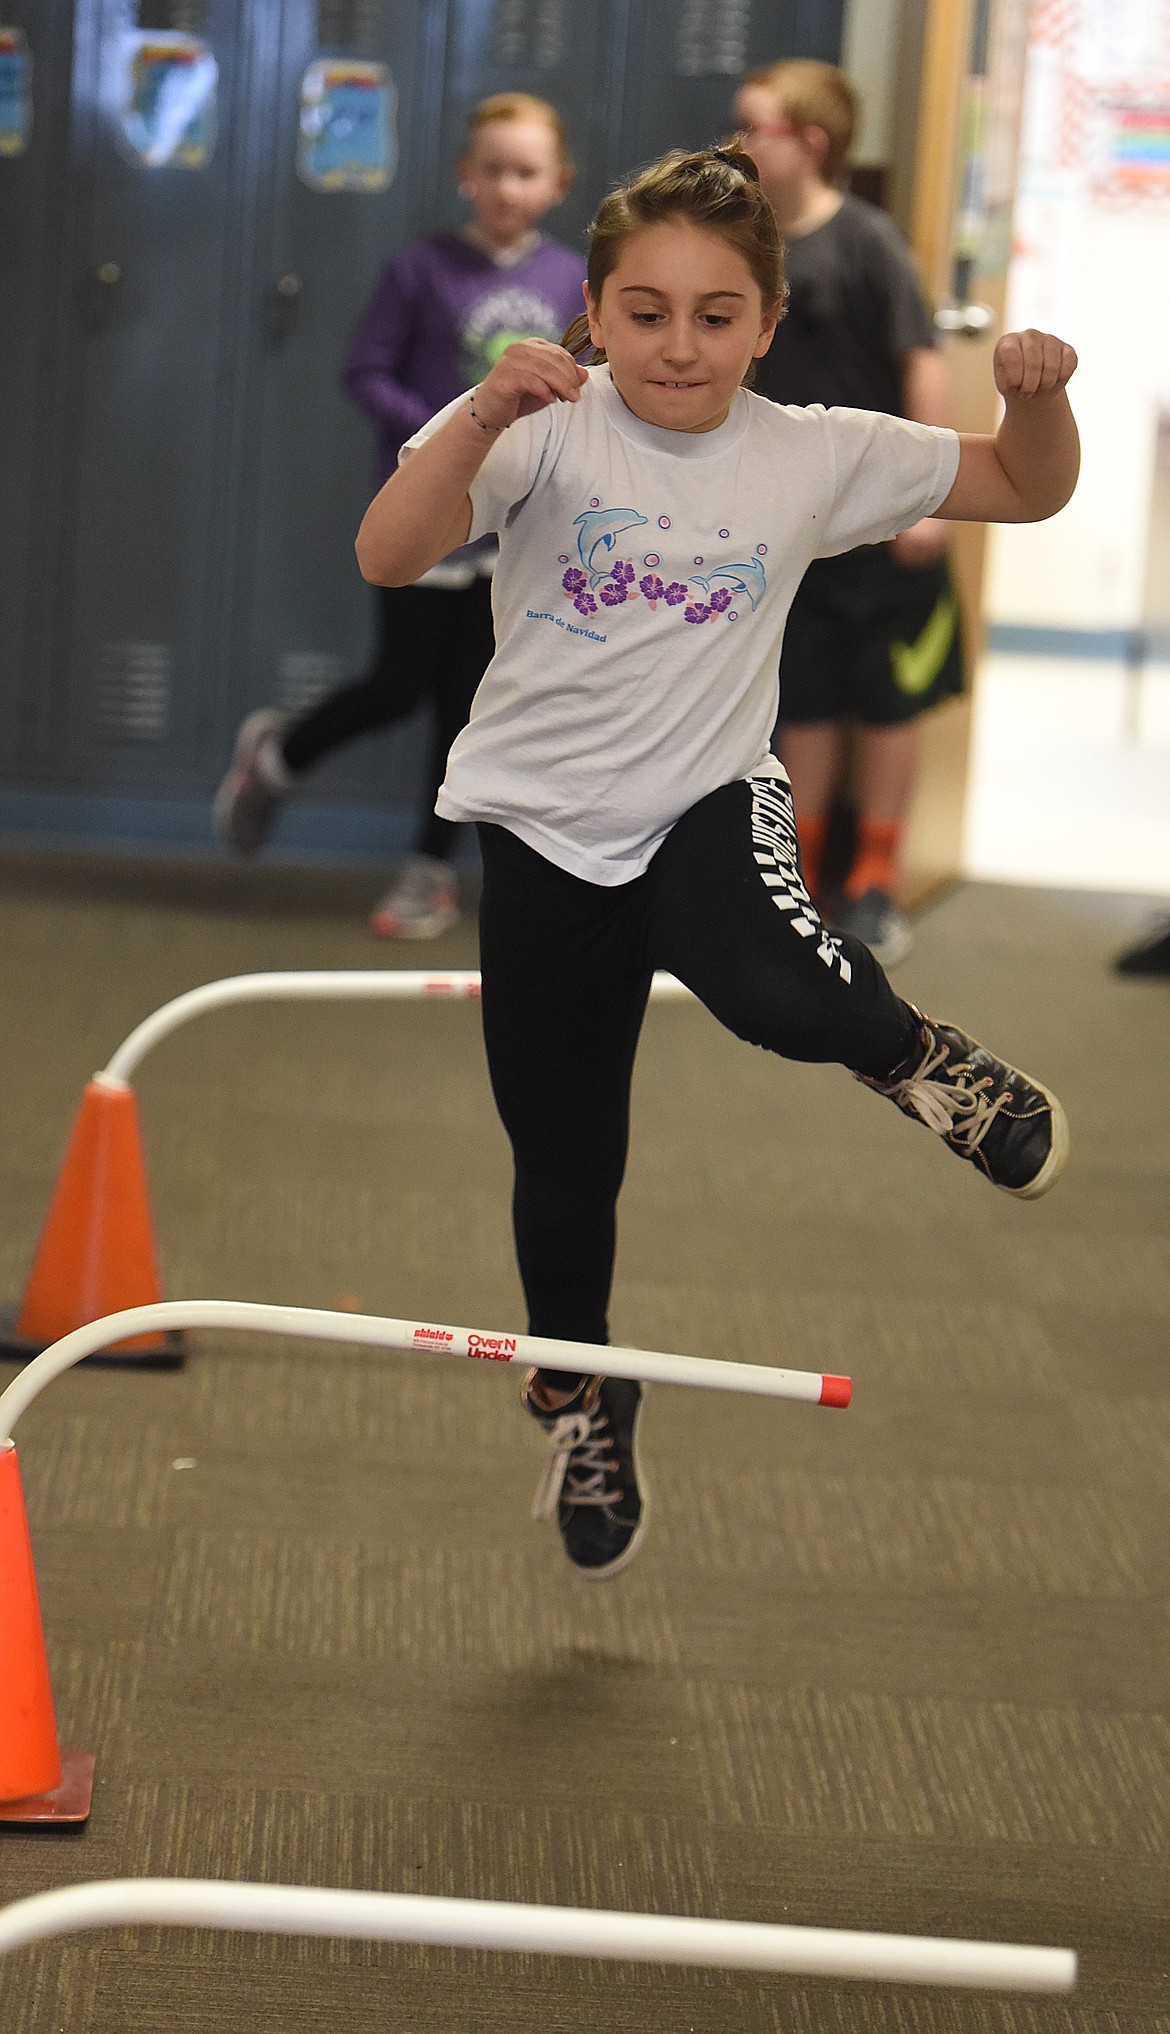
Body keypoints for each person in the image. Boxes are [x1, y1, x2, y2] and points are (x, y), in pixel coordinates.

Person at [353, 145, 1079, 1580]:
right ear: (592, 310)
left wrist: (1035, 402)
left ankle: (926, 1061)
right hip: (543, 826)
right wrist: (481, 412)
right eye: (643, 311)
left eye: (711, 314)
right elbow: (388, 552)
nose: (675, 345)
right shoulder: (537, 422)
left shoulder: (812, 450)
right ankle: (580, 1385)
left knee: (776, 988)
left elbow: (1021, 487)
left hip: (705, 791)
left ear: (764, 320)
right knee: (562, 1166)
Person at [213, 94, 586, 939]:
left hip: (513, 528)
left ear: (556, 183)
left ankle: (428, 870)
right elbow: (365, 369)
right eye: (490, 169)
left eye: (524, 172)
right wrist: (445, 424)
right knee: (398, 686)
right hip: (429, 517)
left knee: (469, 706)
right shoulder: (420, 269)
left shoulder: (569, 279)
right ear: (465, 176)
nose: (506, 186)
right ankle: (277, 757)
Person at [734, 60, 961, 967]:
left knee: (885, 703)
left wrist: (929, 501)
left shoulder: (865, 240)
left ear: (810, 144)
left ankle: (874, 882)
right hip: (801, 530)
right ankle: (809, 879)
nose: (738, 143)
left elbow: (924, 363)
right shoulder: (749, 245)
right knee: (808, 705)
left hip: (886, 530)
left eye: (755, 127)